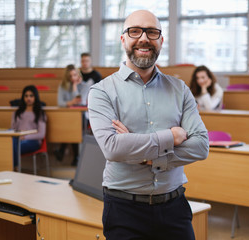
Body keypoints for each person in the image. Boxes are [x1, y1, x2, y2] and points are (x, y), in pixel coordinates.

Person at [87, 10, 209, 240]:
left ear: (161, 41)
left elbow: (201, 146)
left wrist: (148, 155)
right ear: (123, 39)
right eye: (135, 31)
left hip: (175, 207)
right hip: (124, 210)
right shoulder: (101, 92)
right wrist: (170, 137)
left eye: (152, 32)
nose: (144, 38)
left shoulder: (180, 89)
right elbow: (113, 148)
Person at [54, 64, 90, 166]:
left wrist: (74, 87)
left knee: (73, 125)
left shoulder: (85, 85)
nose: (73, 78)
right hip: (67, 117)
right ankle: (75, 157)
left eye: (75, 75)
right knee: (70, 124)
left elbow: (80, 102)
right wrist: (72, 102)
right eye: (70, 76)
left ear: (78, 74)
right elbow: (60, 103)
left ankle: (64, 151)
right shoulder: (62, 86)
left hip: (82, 116)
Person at [11, 85, 47, 169]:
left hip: (33, 141)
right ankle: (15, 168)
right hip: (18, 139)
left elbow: (41, 134)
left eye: (31, 96)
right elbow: (13, 130)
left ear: (35, 97)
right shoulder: (17, 112)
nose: (28, 98)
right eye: (26, 96)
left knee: (12, 147)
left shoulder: (40, 113)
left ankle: (14, 168)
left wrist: (26, 137)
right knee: (9, 144)